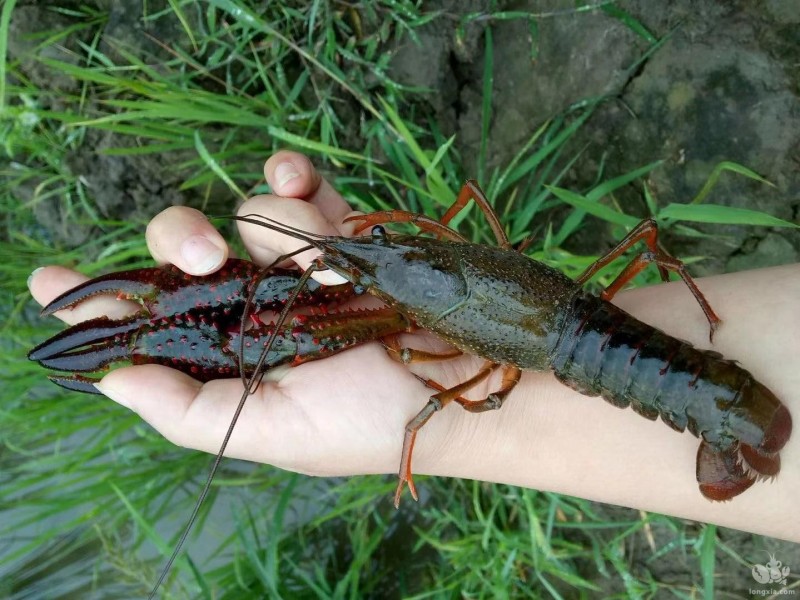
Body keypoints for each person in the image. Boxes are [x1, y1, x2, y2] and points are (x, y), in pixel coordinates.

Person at [28, 151, 800, 543]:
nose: (374, 242)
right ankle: (726, 407)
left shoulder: (406, 300)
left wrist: (445, 411)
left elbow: (474, 386)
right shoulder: (429, 256)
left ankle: (728, 410)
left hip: (600, 354)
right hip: (620, 351)